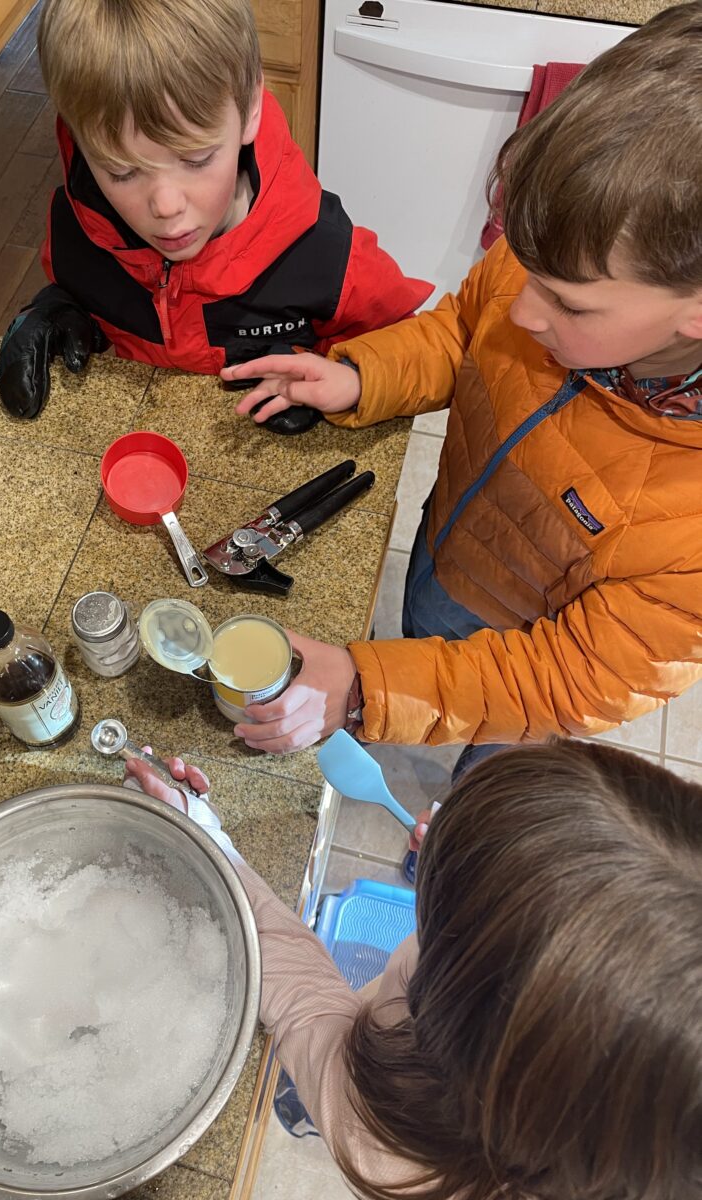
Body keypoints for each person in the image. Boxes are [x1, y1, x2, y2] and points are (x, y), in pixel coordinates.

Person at [220, 2, 702, 758]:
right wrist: (362, 376)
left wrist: (369, 690)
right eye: (521, 264)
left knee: (496, 764)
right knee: (422, 630)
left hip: (526, 662)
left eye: (570, 303)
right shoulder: (557, 263)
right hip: (452, 546)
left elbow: (566, 679)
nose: (526, 310)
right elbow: (466, 332)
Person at [124, 738, 702, 1200]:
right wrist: (470, 857)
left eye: (431, 924)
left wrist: (210, 846)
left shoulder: (396, 1156)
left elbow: (311, 1013)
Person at [0, 0, 431, 434]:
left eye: (197, 159)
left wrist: (352, 376)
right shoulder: (79, 226)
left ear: (250, 108)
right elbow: (92, 301)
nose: (166, 206)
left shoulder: (325, 253)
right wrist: (62, 308)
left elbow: (412, 347)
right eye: (122, 172)